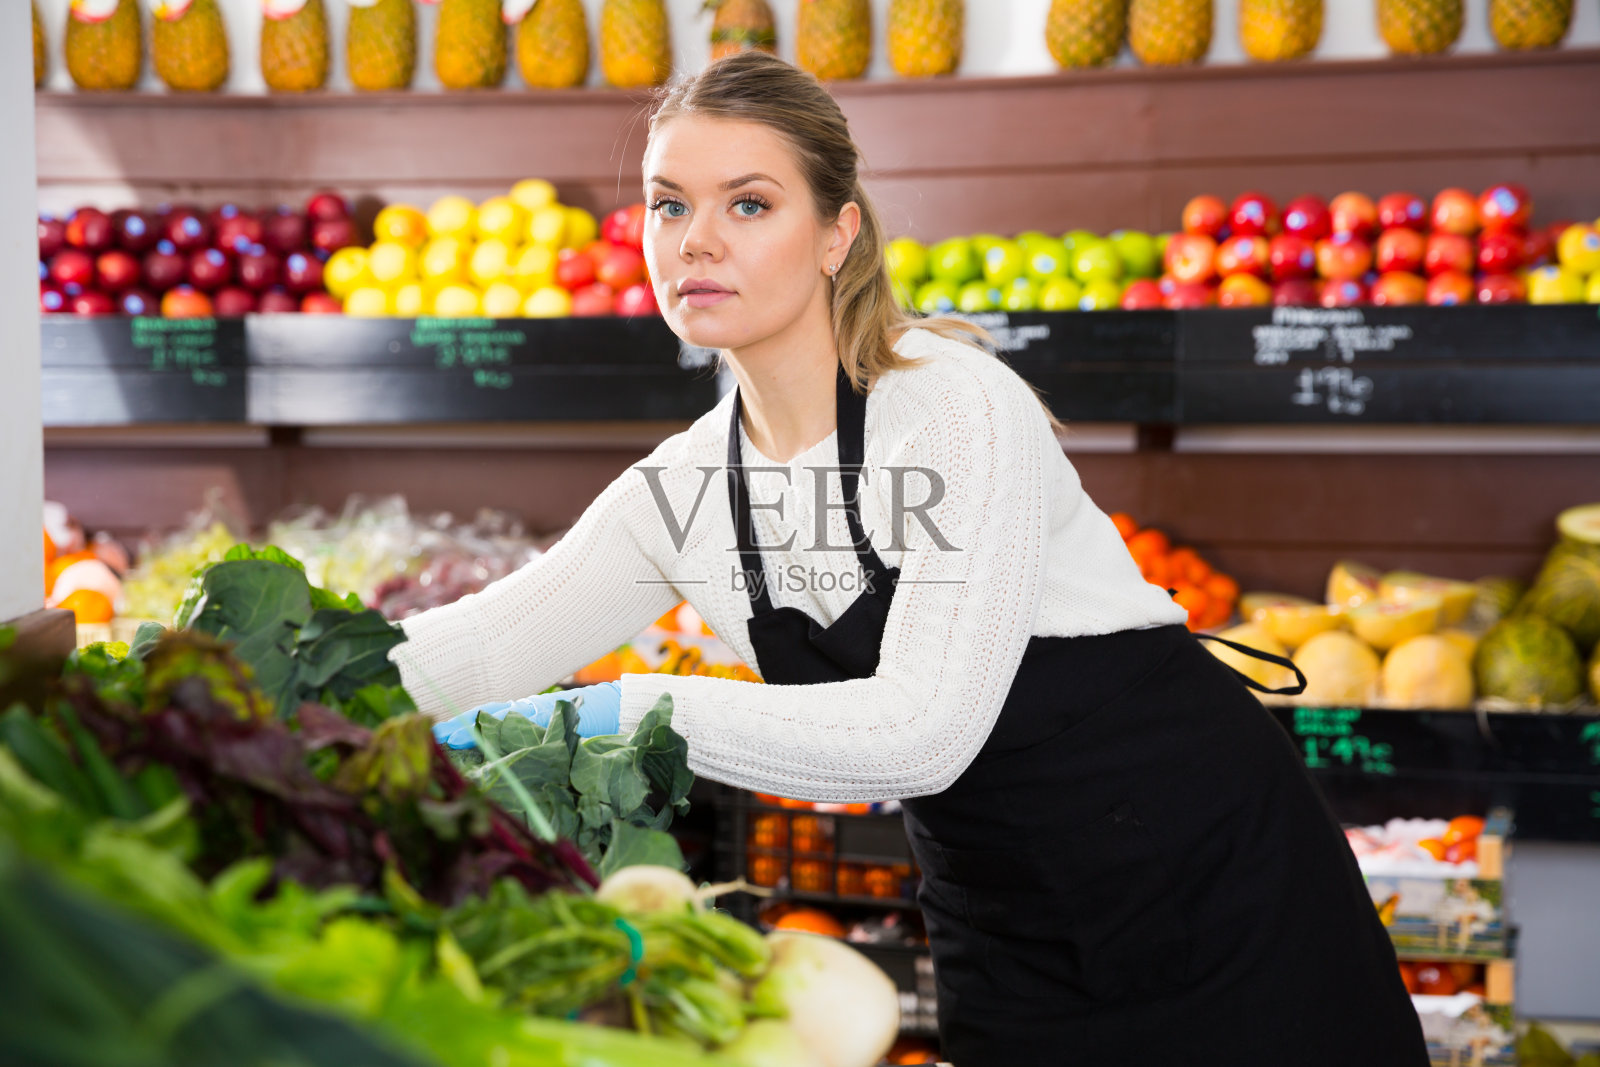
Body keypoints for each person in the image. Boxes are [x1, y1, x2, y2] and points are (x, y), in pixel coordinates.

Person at [398, 51, 1428, 1066]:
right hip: (1001, 909)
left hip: (1204, 870)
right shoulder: (681, 487)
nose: (695, 240)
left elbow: (922, 730)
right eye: (668, 205)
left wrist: (623, 714)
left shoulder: (952, 404)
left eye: (747, 204)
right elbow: (487, 643)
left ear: (837, 233)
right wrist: (269, 679)